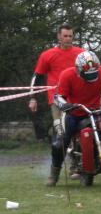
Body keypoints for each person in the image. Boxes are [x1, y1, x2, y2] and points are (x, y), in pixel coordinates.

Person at [47, 52, 101, 186]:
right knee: (61, 142)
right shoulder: (67, 75)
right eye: (88, 75)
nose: (92, 77)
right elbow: (58, 97)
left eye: (94, 73)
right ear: (78, 69)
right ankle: (54, 174)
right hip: (75, 113)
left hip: (97, 111)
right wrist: (64, 104)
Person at [30, 25, 84, 179]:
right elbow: (37, 77)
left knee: (81, 131)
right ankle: (56, 171)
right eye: (65, 36)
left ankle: (77, 166)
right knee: (62, 132)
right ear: (59, 37)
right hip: (57, 100)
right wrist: (32, 98)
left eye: (70, 36)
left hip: (78, 99)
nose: (68, 39)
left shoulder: (81, 53)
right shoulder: (48, 55)